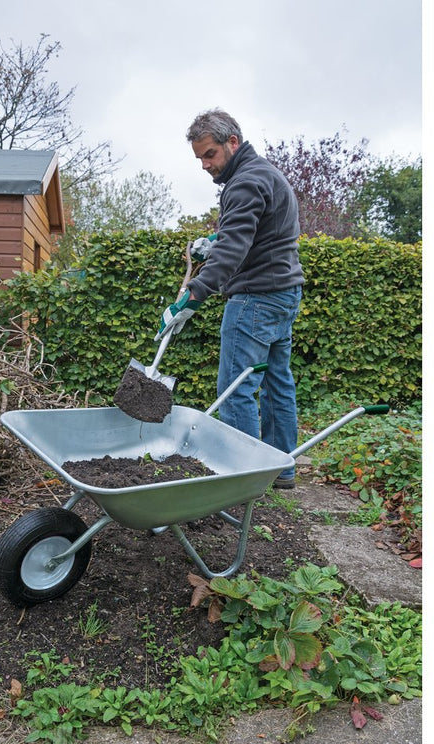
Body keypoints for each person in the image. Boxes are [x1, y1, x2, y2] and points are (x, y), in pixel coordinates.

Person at [156, 109, 304, 489]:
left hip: (255, 299)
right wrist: (215, 241)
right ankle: (281, 469)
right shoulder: (267, 174)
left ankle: (244, 477)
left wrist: (193, 296)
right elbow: (260, 234)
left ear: (232, 142)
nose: (205, 165)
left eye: (210, 154)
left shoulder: (242, 183)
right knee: (278, 383)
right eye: (200, 158)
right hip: (285, 294)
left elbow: (236, 248)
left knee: (236, 390)